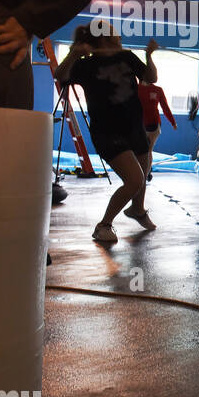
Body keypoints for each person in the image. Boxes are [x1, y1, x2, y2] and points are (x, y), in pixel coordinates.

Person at [54, 24, 159, 243]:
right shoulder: (86, 64)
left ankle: (137, 211)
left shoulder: (127, 57)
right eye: (114, 31)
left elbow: (151, 77)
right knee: (135, 180)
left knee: (142, 173)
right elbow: (60, 75)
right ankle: (103, 226)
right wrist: (73, 54)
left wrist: (149, 56)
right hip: (107, 131)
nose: (119, 34)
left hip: (133, 126)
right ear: (104, 37)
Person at [137, 76, 176, 181]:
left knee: (148, 150)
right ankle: (145, 173)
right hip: (138, 124)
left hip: (153, 124)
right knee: (139, 150)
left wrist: (172, 121)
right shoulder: (134, 88)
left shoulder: (157, 90)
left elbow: (165, 107)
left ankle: (144, 175)